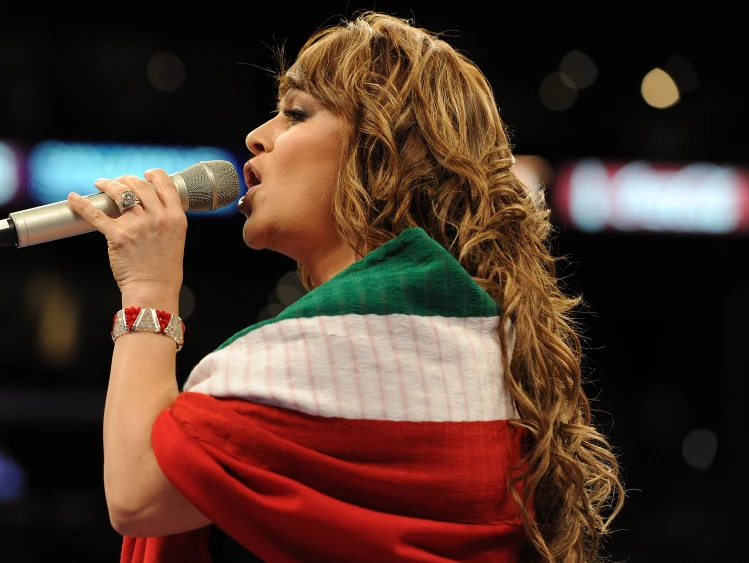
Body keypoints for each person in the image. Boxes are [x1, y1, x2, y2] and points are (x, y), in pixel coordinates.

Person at [65, 10, 625, 563]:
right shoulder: (462, 330)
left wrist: (148, 288)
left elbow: (140, 492)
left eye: (295, 113)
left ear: (378, 150)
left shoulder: (371, 333)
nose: (256, 137)